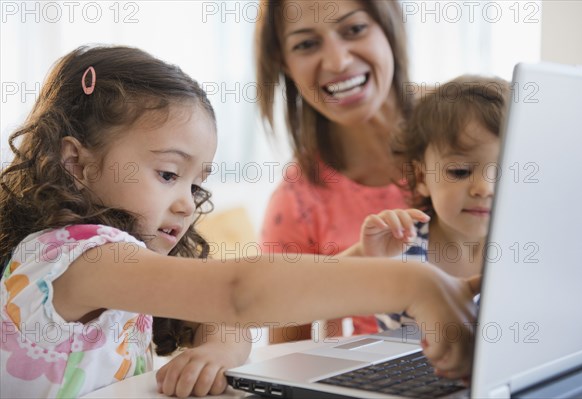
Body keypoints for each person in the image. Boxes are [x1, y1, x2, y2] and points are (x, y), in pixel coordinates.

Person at [0, 45, 478, 398]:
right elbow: (237, 291)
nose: (187, 204)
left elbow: (223, 315)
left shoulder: (132, 265)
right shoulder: (74, 255)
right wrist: (410, 281)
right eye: (168, 173)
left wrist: (219, 351)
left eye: (195, 184)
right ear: (76, 164)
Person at [255, 0, 414, 340]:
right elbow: (286, 358)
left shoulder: (479, 132)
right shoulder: (295, 202)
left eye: (354, 29)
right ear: (284, 62)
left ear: (390, 24)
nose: (338, 61)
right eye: (307, 44)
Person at [344, 76, 510, 330]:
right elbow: (320, 285)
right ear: (421, 177)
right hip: (404, 369)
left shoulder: (521, 251)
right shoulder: (401, 245)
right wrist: (367, 254)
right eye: (460, 171)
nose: (485, 189)